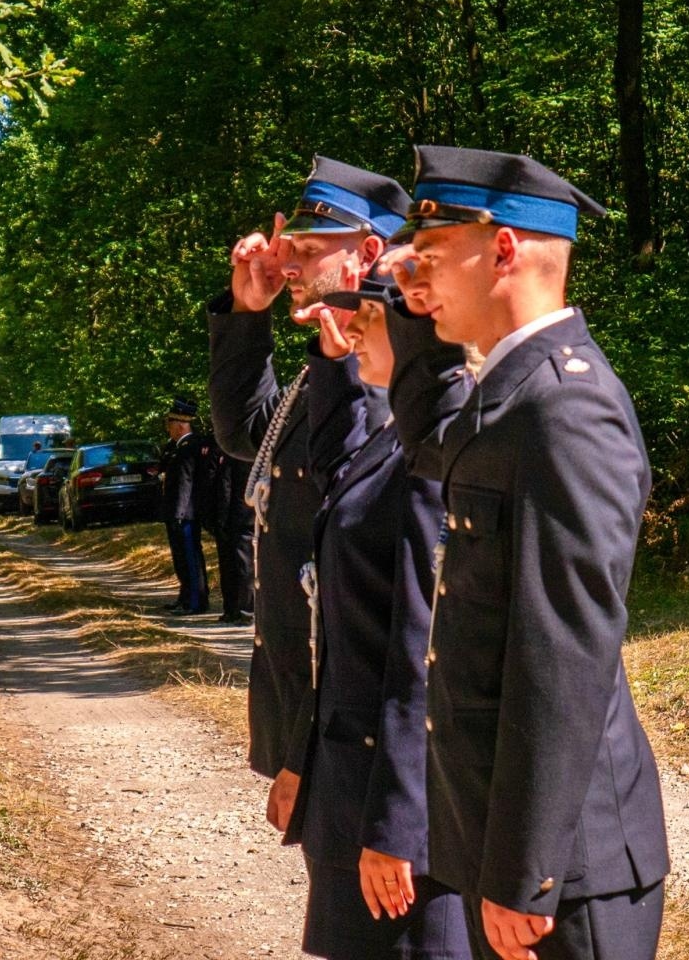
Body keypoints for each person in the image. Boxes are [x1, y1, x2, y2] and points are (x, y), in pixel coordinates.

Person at [386, 145, 669, 960]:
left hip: (565, 864)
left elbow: (564, 653)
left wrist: (525, 869)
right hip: (513, 845)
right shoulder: (510, 391)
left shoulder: (565, 406)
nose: (413, 272)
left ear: (503, 249)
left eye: (432, 255)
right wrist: (414, 315)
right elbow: (431, 444)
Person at [277, 271, 471, 960]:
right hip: (351, 779)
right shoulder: (391, 438)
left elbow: (423, 650)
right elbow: (332, 476)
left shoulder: (429, 457)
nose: (353, 329)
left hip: (395, 809)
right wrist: (332, 366)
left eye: (370, 319)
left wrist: (399, 824)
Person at [207, 155, 410, 799]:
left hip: (356, 727)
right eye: (289, 247)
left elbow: (376, 604)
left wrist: (308, 748)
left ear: (369, 252)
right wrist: (248, 309)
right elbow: (249, 435)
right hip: (310, 705)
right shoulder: (331, 364)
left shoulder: (394, 381)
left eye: (311, 249)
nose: (288, 263)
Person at [162, 396, 214, 617]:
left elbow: (186, 482)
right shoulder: (175, 447)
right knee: (180, 557)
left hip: (186, 512)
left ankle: (196, 601)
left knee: (190, 557)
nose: (169, 430)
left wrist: (180, 512)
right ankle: (185, 597)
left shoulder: (190, 447)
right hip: (177, 511)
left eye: (171, 425)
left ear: (181, 425)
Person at [210, 447, 256, 624]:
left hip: (237, 516)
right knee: (246, 563)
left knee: (238, 564)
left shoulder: (234, 452)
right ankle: (240, 607)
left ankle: (242, 609)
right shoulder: (260, 451)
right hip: (253, 513)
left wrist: (220, 519)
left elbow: (225, 486)